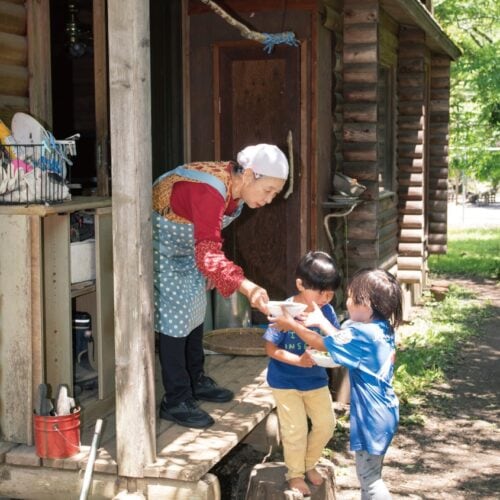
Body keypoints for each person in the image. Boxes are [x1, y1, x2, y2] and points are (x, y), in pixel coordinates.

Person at [152, 144, 289, 428]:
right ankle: (176, 399)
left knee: (195, 310)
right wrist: (247, 287)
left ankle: (195, 379)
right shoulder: (209, 191)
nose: (270, 199)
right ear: (250, 175)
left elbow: (206, 245)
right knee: (176, 320)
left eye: (275, 193)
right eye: (268, 190)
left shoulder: (234, 189)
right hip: (159, 248)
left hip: (188, 249)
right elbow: (208, 254)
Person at [271, 268, 403, 499]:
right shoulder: (380, 329)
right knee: (371, 475)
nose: (348, 302)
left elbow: (323, 345)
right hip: (386, 411)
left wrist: (292, 326)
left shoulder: (361, 334)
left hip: (371, 417)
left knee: (370, 481)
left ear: (368, 304)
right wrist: (322, 321)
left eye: (352, 297)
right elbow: (340, 338)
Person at [263, 251, 341, 496]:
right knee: (295, 429)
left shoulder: (325, 312)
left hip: (316, 380)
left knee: (326, 424)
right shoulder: (284, 310)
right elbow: (270, 348)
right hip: (285, 382)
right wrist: (298, 360)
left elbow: (335, 342)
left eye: (331, 292)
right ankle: (295, 474)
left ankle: (308, 464)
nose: (327, 297)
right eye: (321, 291)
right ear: (300, 284)